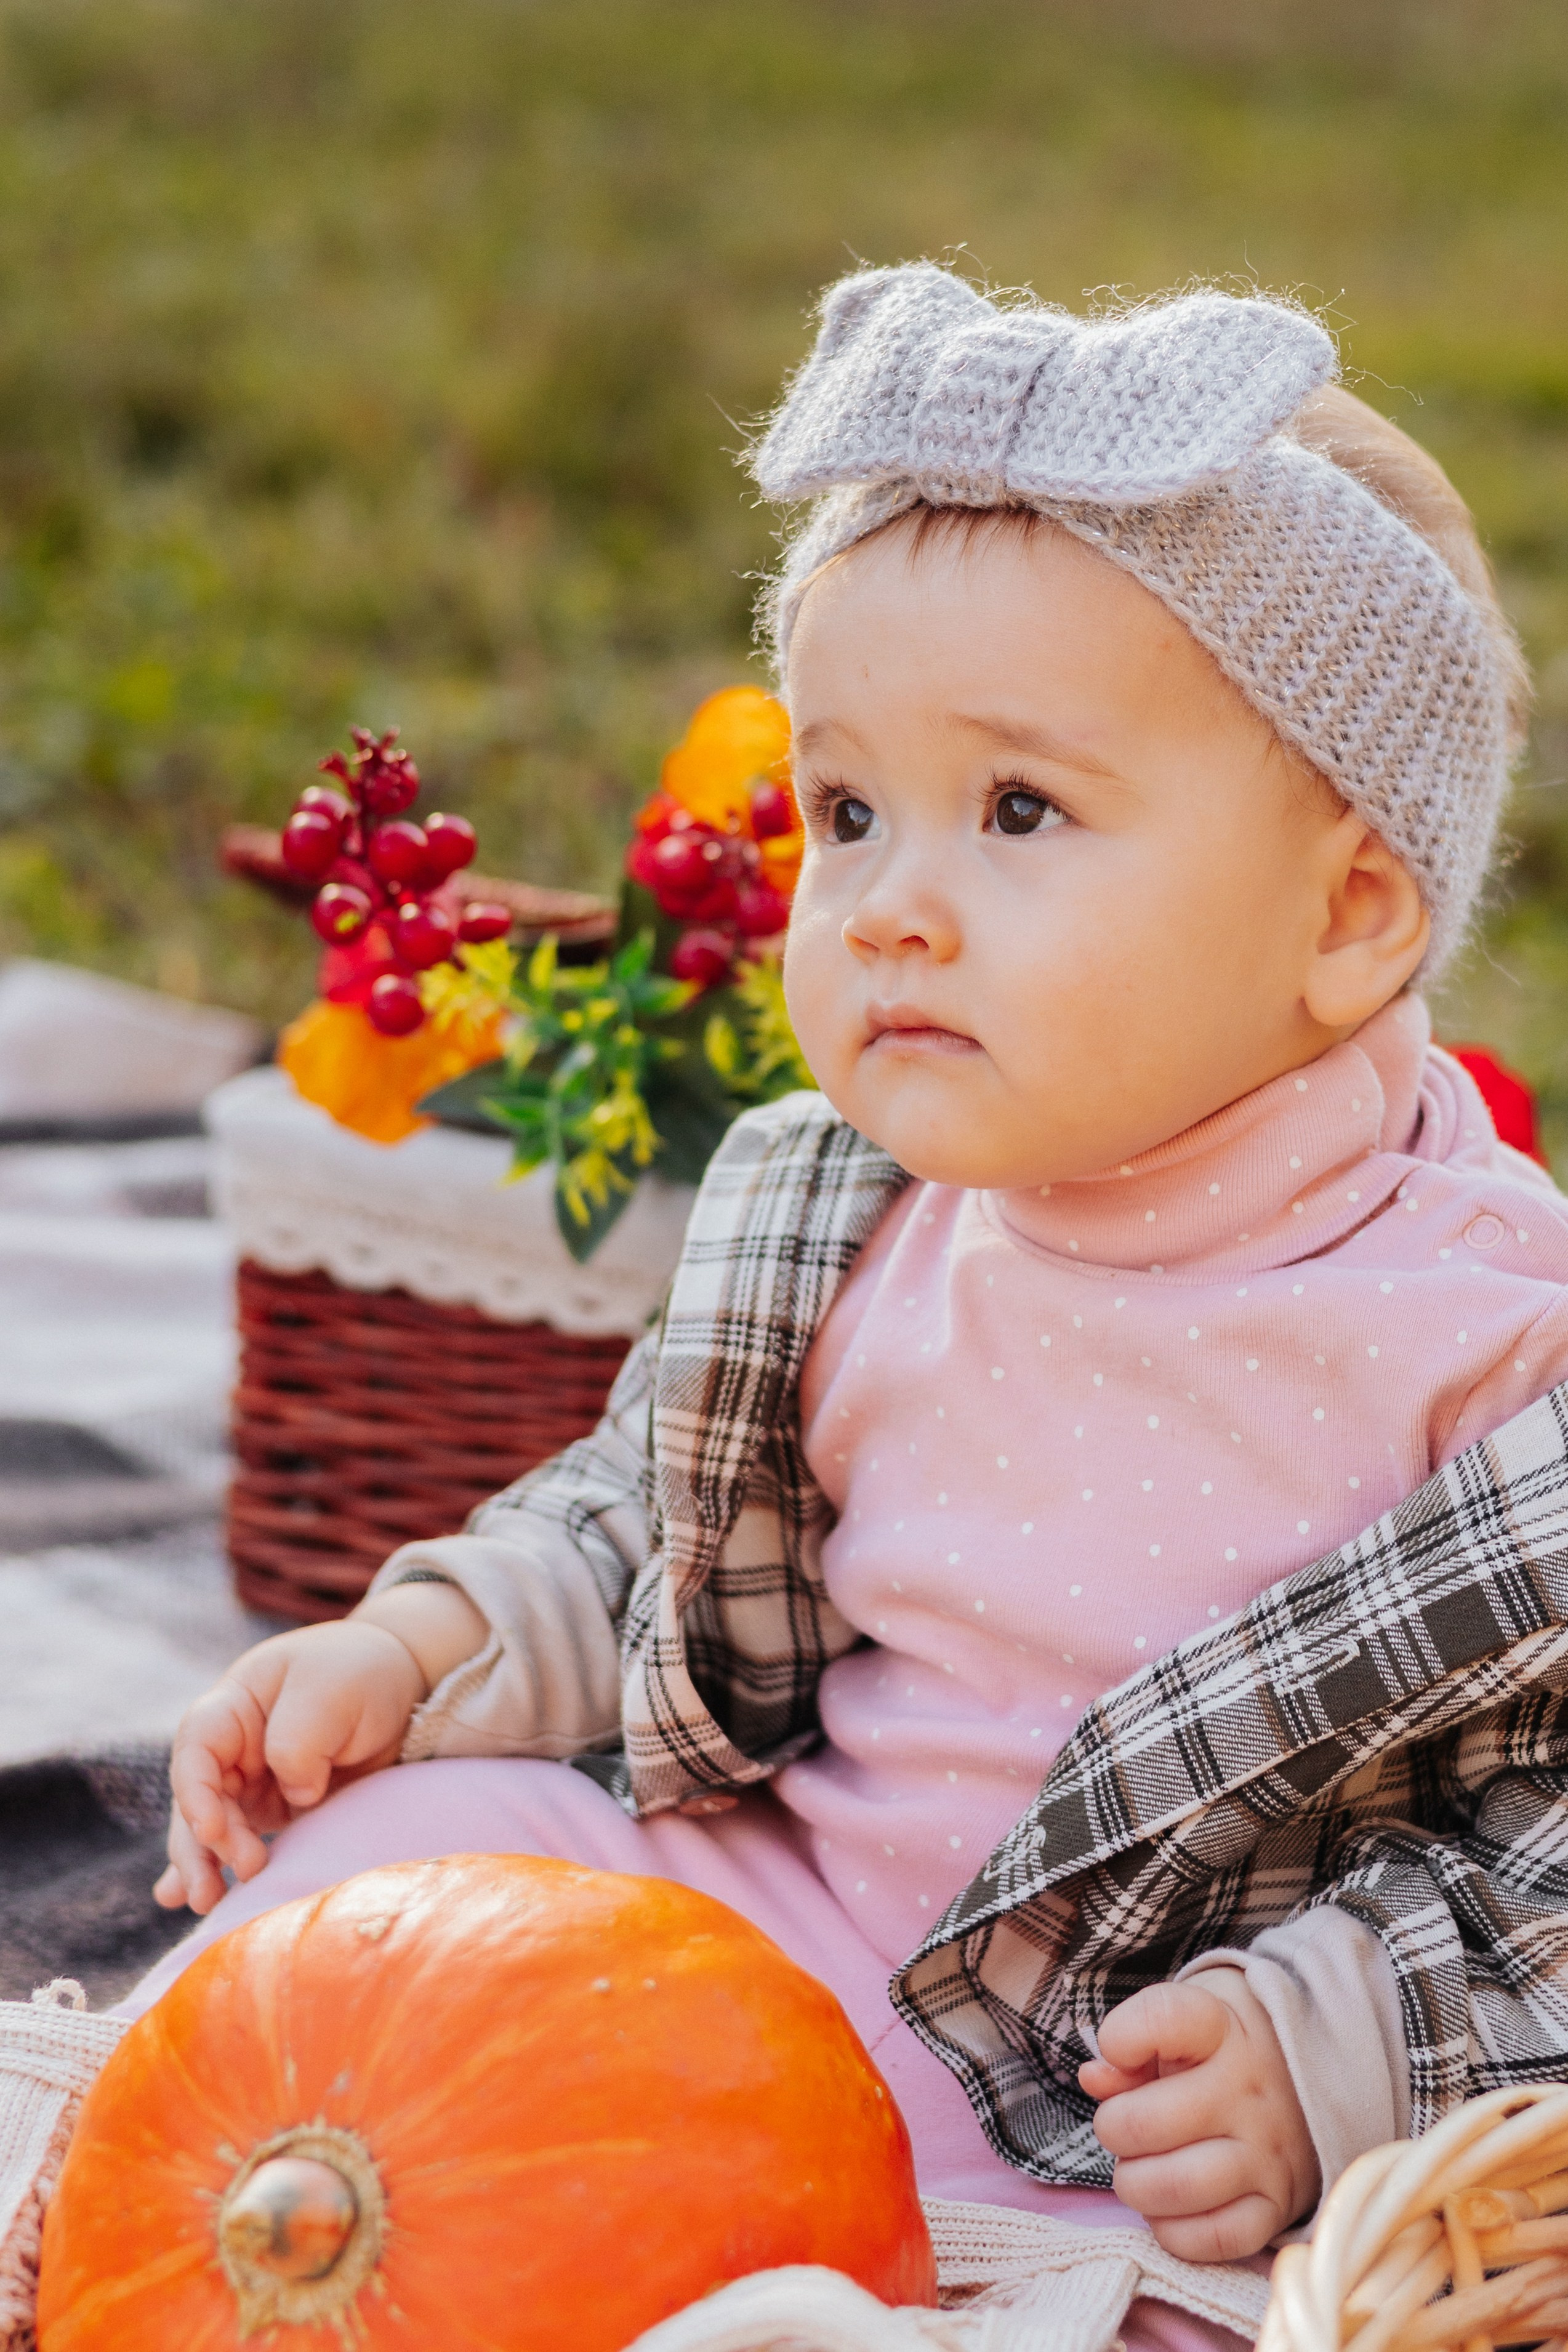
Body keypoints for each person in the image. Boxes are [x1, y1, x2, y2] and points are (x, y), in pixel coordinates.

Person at [137, 268, 1568, 2327]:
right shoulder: (851, 1214)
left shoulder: (1487, 1340)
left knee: (1226, 2298)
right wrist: (433, 1638)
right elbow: (644, 1519)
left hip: (1123, 2107)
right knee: (403, 1838)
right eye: (844, 809)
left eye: (1017, 810)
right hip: (765, 1926)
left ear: (1346, 914)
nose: (885, 903)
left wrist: (1334, 2036)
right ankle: (158, 2192)